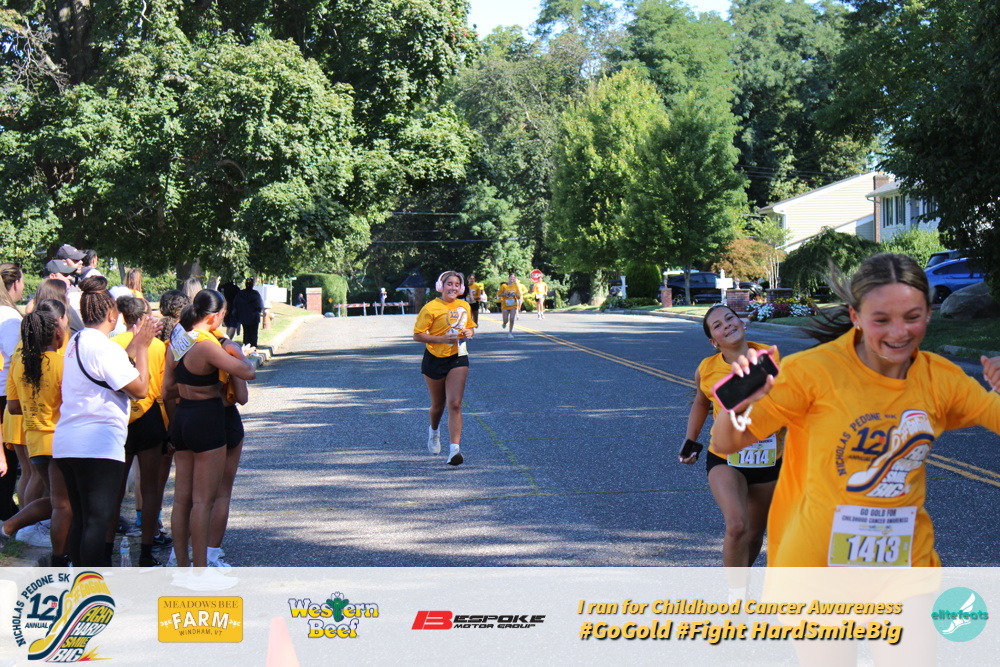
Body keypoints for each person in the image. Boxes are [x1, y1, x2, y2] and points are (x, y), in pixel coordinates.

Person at [713, 253, 1000, 569]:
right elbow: (726, 443)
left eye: (912, 317)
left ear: (929, 313)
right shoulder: (810, 372)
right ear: (856, 316)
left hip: (905, 571)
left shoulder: (940, 378)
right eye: (881, 320)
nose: (899, 333)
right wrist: (739, 401)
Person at [53, 275, 159, 566]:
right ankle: (92, 588)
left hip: (68, 443)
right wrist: (142, 348)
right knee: (97, 523)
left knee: (81, 519)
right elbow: (139, 389)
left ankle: (80, 585)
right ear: (112, 314)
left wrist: (134, 343)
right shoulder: (104, 348)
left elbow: (109, 368)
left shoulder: (77, 340)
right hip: (97, 445)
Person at [680, 305, 783, 600]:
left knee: (753, 535)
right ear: (714, 341)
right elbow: (701, 402)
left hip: (768, 459)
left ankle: (740, 584)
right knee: (737, 525)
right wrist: (690, 440)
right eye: (717, 325)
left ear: (742, 323)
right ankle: (735, 599)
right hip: (725, 457)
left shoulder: (770, 358)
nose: (726, 325)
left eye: (730, 318)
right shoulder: (707, 369)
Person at [162, 289, 256, 569]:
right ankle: (201, 570)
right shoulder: (207, 345)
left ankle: (181, 566)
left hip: (182, 417)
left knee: (181, 500)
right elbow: (248, 372)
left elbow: (167, 390)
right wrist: (236, 352)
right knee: (203, 501)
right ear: (214, 317)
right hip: (206, 418)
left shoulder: (178, 341)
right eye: (223, 315)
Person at [0, 300, 72, 565]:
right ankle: (60, 559)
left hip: (34, 440)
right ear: (55, 334)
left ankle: (8, 527)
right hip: (59, 440)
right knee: (63, 504)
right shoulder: (61, 363)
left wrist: (36, 405)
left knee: (57, 500)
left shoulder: (19, 362)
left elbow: (13, 406)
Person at [110, 296, 170, 567]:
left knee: (116, 488)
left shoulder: (113, 345)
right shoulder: (158, 346)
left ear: (123, 317)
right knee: (150, 486)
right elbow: (165, 389)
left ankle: (106, 548)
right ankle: (147, 550)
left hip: (121, 417)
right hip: (150, 416)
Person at [413, 271, 476, 466]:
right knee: (438, 406)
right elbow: (417, 335)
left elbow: (471, 327)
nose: (453, 288)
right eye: (449, 284)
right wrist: (441, 339)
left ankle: (454, 450)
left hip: (458, 356)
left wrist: (469, 332)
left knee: (455, 404)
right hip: (434, 358)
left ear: (461, 288)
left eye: (457, 284)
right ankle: (434, 431)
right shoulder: (430, 307)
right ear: (441, 286)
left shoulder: (464, 306)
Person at [0, 263, 25, 520]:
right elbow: (15, 355)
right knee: (8, 459)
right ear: (15, 283)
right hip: (6, 393)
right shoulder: (8, 317)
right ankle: (5, 512)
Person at [233, 278, 264, 348]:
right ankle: (253, 347)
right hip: (254, 317)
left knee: (246, 333)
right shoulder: (255, 294)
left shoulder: (240, 294)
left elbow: (235, 304)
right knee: (254, 334)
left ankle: (246, 346)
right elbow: (260, 306)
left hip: (243, 317)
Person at [498, 272, 524, 338]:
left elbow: (519, 295)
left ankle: (510, 332)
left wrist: (515, 294)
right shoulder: (504, 286)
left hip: (513, 305)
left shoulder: (515, 286)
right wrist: (504, 293)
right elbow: (499, 294)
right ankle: (504, 323)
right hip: (505, 305)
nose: (512, 278)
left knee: (512, 319)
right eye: (511, 277)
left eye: (514, 277)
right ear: (509, 278)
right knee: (505, 320)